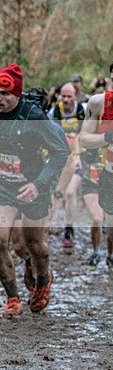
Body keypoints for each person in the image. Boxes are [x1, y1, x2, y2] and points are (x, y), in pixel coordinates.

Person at [0, 64, 70, 318]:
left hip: (32, 187)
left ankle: (42, 283)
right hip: (1, 186)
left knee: (33, 244)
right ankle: (12, 298)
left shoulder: (34, 116)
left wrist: (39, 185)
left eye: (5, 94)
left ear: (17, 95)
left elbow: (62, 152)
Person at [47, 82, 86, 248]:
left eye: (70, 96)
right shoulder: (54, 112)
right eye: (63, 96)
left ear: (76, 97)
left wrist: (77, 156)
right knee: (59, 193)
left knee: (70, 193)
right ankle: (45, 231)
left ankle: (69, 229)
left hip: (79, 157)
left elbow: (85, 135)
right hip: (60, 158)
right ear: (59, 96)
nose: (66, 99)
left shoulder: (82, 111)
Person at [79, 88, 113, 269]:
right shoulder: (98, 104)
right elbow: (83, 139)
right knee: (97, 219)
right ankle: (95, 252)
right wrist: (107, 137)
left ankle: (109, 255)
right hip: (95, 174)